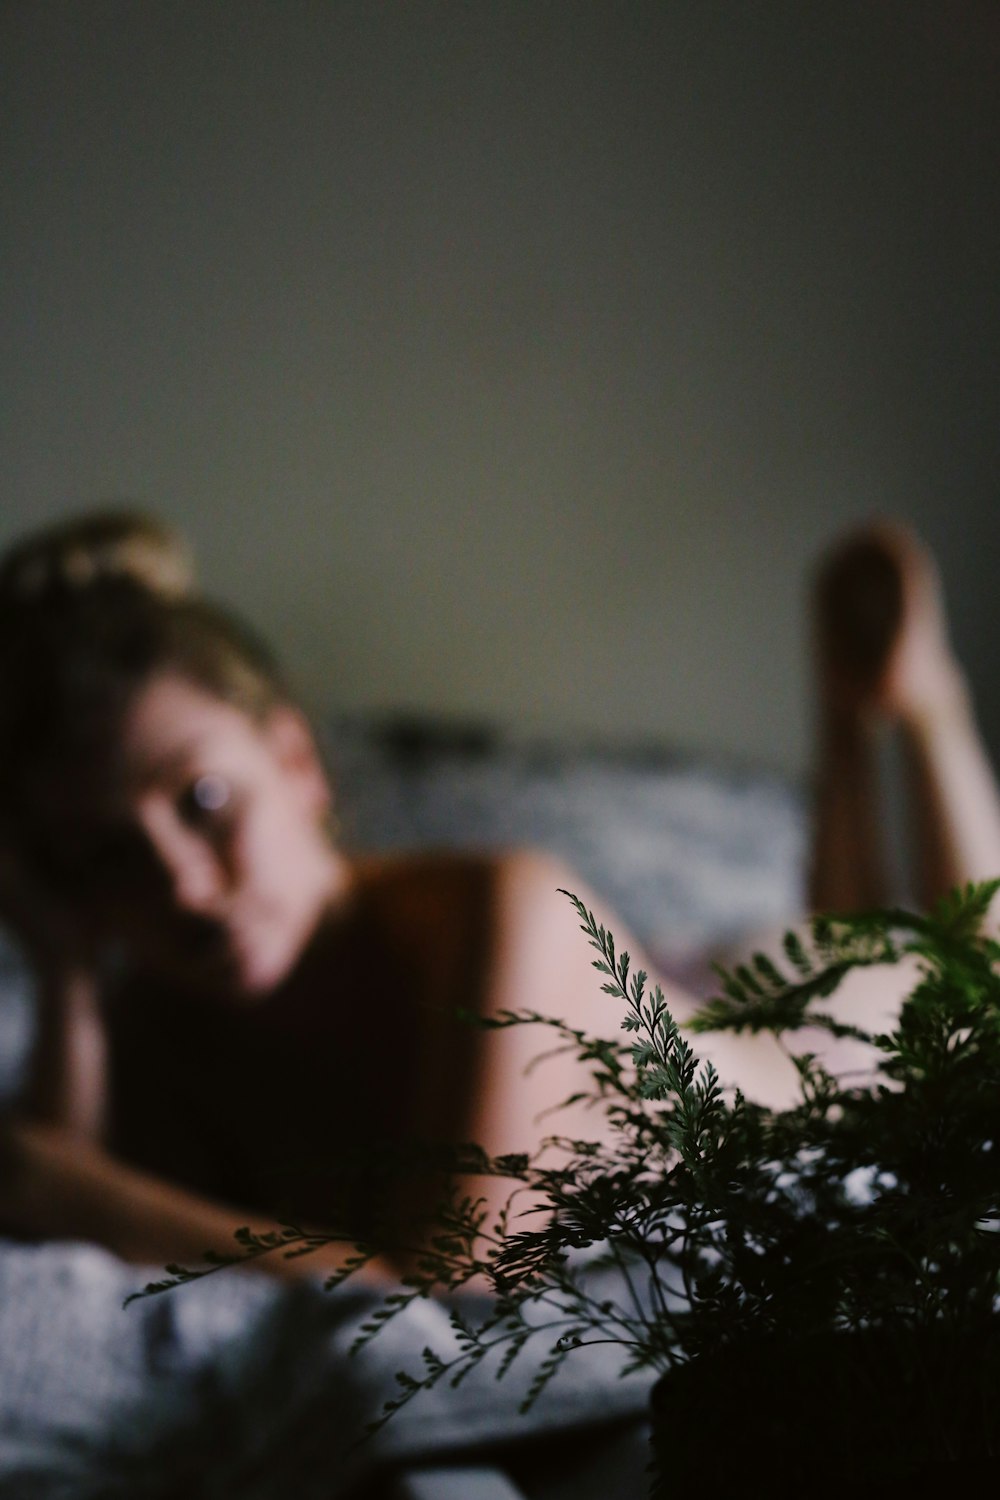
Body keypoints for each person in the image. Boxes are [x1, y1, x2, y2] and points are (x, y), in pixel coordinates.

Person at [0, 510, 997, 1289]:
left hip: (811, 1066)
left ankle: (915, 702)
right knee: (831, 939)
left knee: (961, 981)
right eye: (105, 856)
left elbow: (447, 1295)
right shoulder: (160, 1022)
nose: (179, 884)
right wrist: (64, 975)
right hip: (708, 986)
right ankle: (845, 730)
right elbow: (69, 1240)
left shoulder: (500, 905)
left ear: (296, 759)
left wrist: (73, 1193)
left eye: (204, 800)